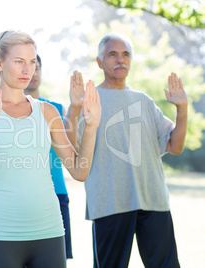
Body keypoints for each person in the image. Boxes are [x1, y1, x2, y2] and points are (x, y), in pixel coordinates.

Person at [0, 30, 101, 268]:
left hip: (49, 233)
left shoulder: (47, 112)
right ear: (0, 63)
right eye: (19, 61)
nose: (28, 70)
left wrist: (92, 127)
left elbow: (79, 171)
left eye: (32, 62)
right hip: (0, 235)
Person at [68, 32, 187, 268]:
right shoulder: (88, 100)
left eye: (125, 55)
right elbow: (70, 146)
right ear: (99, 62)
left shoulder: (144, 101)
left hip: (153, 202)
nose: (120, 59)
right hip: (110, 203)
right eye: (112, 54)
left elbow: (175, 146)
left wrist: (182, 109)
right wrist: (73, 108)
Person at [24, 54, 73, 260]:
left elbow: (72, 153)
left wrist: (77, 109)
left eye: (37, 67)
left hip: (56, 194)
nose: (34, 73)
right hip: (21, 199)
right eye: (26, 66)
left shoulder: (56, 109)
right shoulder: (3, 110)